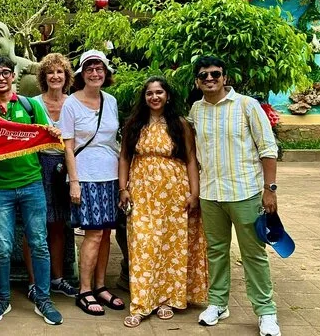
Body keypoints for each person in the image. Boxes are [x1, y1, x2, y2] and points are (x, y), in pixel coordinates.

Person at [0, 55, 63, 326]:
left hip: (32, 184)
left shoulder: (30, 106)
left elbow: (45, 134)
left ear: (13, 75)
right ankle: (2, 299)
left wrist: (53, 135)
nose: (1, 77)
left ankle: (44, 299)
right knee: (2, 248)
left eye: (6, 72)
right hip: (0, 189)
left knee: (39, 243)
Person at [189, 56, 281, 336]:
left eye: (215, 74)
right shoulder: (196, 110)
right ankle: (218, 303)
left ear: (225, 77)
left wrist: (270, 189)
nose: (209, 79)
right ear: (197, 81)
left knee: (253, 254)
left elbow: (268, 148)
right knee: (216, 252)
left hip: (245, 192)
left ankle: (266, 311)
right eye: (203, 75)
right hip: (210, 193)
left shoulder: (247, 105)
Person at [118, 76, 208, 328]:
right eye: (149, 93)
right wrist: (123, 188)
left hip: (174, 194)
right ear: (144, 97)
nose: (154, 97)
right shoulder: (134, 124)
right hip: (142, 194)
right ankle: (141, 303)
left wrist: (194, 193)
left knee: (171, 247)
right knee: (142, 245)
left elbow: (191, 159)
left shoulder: (179, 124)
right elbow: (124, 157)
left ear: (167, 96)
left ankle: (167, 299)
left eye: (159, 92)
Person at [60, 49, 125, 316]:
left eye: (99, 69)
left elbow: (113, 140)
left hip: (110, 174)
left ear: (106, 73)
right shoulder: (71, 103)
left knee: (107, 232)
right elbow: (67, 145)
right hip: (85, 176)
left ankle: (100, 286)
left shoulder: (111, 101)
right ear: (81, 74)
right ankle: (84, 290)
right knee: (93, 233)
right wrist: (74, 181)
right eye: (89, 69)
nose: (95, 73)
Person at [24, 53, 78, 300]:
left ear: (67, 76)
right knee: (34, 226)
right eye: (50, 72)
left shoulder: (74, 103)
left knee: (58, 224)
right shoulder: (33, 103)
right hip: (37, 165)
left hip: (66, 165)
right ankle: (34, 282)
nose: (55, 76)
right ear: (43, 77)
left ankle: (57, 278)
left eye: (60, 72)